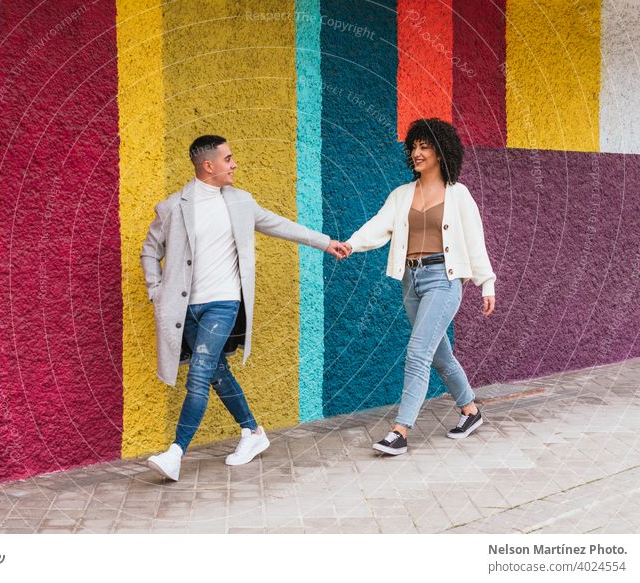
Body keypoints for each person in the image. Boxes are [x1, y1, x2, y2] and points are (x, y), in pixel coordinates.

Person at [141, 134, 348, 480]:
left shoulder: (240, 202)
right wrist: (156, 291)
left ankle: (175, 453)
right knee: (217, 373)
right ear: (209, 166)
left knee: (199, 374)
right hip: (185, 310)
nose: (234, 164)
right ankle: (252, 433)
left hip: (223, 302)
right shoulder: (173, 207)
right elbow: (150, 250)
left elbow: (280, 225)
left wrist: (326, 243)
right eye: (228, 159)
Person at [342, 118, 496, 455]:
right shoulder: (401, 195)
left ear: (440, 152)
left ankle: (400, 431)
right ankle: (470, 411)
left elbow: (475, 240)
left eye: (424, 146)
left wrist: (487, 284)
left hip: (444, 279)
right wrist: (351, 244)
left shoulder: (458, 194)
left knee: (418, 352)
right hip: (411, 280)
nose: (416, 152)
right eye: (414, 146)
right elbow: (378, 226)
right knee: (440, 355)